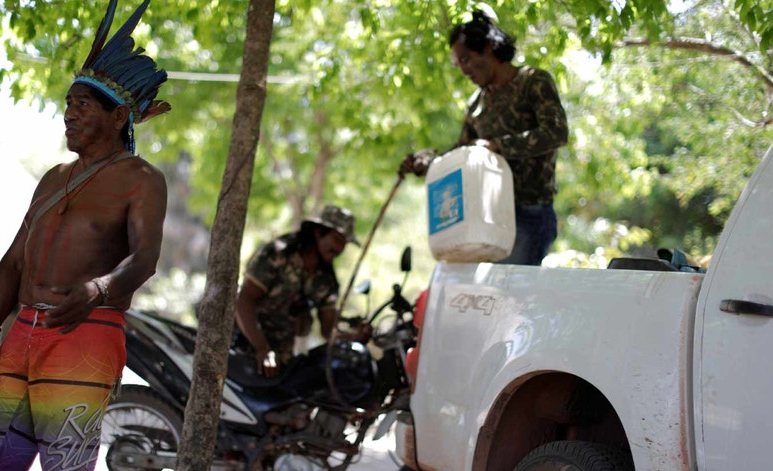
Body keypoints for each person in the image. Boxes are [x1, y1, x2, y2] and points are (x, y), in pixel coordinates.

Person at [0, 0, 170, 469]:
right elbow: (15, 261)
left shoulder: (143, 179)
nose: (69, 115)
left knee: (66, 462)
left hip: (85, 332)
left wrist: (100, 289)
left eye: (82, 105)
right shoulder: (53, 178)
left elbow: (145, 259)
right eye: (67, 105)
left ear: (119, 118)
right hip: (18, 333)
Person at [400, 8, 569, 266]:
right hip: (487, 218)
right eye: (459, 64)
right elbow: (461, 152)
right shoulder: (477, 104)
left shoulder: (532, 82)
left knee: (510, 297)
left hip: (530, 214)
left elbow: (556, 132)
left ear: (489, 47)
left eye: (466, 59)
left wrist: (498, 146)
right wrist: (425, 163)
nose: (464, 70)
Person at [234, 205, 367, 378]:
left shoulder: (326, 280)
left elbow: (328, 329)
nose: (340, 248)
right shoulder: (278, 253)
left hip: (280, 361)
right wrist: (262, 349)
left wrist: (354, 336)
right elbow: (244, 300)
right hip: (240, 347)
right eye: (337, 239)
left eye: (345, 243)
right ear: (319, 232)